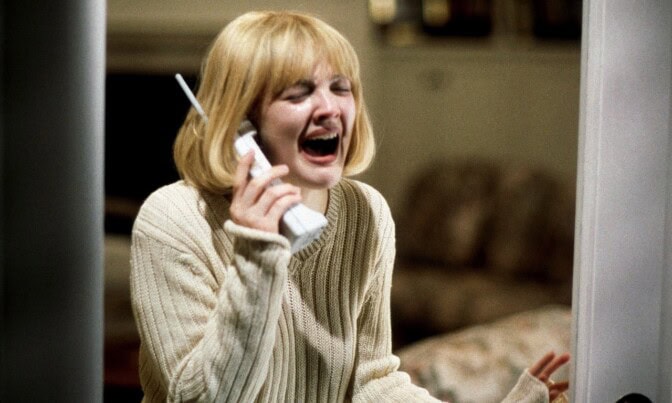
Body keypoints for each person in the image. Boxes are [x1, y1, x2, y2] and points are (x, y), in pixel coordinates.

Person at [130, 10, 570, 402]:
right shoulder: (172, 220)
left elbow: (371, 379)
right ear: (240, 122)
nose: (330, 108)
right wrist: (257, 255)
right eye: (298, 94)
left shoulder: (367, 213)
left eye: (341, 88)